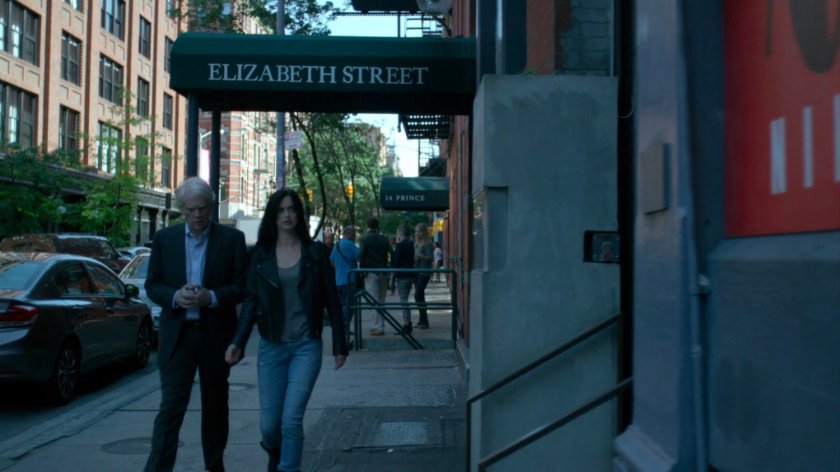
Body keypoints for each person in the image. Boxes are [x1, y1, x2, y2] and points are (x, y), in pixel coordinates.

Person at [225, 189, 348, 472]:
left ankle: (288, 467)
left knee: (291, 419)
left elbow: (332, 299)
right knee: (270, 428)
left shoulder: (315, 253)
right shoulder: (260, 256)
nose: (287, 215)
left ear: (299, 214)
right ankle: (277, 455)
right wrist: (238, 342)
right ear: (272, 215)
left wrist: (340, 345)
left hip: (306, 345)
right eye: (280, 210)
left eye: (292, 209)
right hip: (271, 346)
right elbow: (251, 302)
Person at [144, 177, 249, 472]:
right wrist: (175, 296)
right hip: (178, 337)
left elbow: (243, 286)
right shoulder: (165, 239)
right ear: (182, 210)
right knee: (170, 410)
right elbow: (152, 285)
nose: (197, 215)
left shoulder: (231, 240)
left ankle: (215, 467)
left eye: (203, 208)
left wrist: (212, 297)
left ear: (211, 207)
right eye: (191, 210)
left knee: (215, 409)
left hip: (215, 337)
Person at [358, 216, 393, 336]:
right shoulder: (384, 239)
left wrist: (362, 270)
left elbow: (361, 255)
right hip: (383, 271)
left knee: (373, 300)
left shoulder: (364, 239)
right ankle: (378, 325)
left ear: (367, 225)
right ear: (377, 226)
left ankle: (378, 326)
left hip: (371, 272)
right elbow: (392, 253)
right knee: (381, 300)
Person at [330, 225, 359, 332]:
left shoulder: (336, 245)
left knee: (342, 304)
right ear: (351, 234)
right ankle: (344, 327)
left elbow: (332, 261)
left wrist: (339, 269)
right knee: (350, 305)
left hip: (338, 281)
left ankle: (341, 326)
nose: (355, 236)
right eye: (354, 234)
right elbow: (359, 256)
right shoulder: (351, 244)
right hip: (349, 280)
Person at [390, 225, 415, 333]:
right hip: (411, 275)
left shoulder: (399, 246)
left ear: (400, 233)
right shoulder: (411, 244)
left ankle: (407, 324)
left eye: (397, 233)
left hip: (402, 276)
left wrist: (392, 277)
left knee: (403, 300)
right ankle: (407, 323)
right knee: (405, 299)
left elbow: (396, 262)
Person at [414, 223, 434, 329]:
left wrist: (422, 256)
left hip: (424, 271)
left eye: (418, 231)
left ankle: (424, 321)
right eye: (416, 231)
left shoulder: (427, 243)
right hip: (416, 271)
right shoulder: (416, 243)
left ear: (423, 232)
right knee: (420, 296)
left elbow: (431, 258)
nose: (417, 233)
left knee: (418, 294)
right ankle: (422, 321)